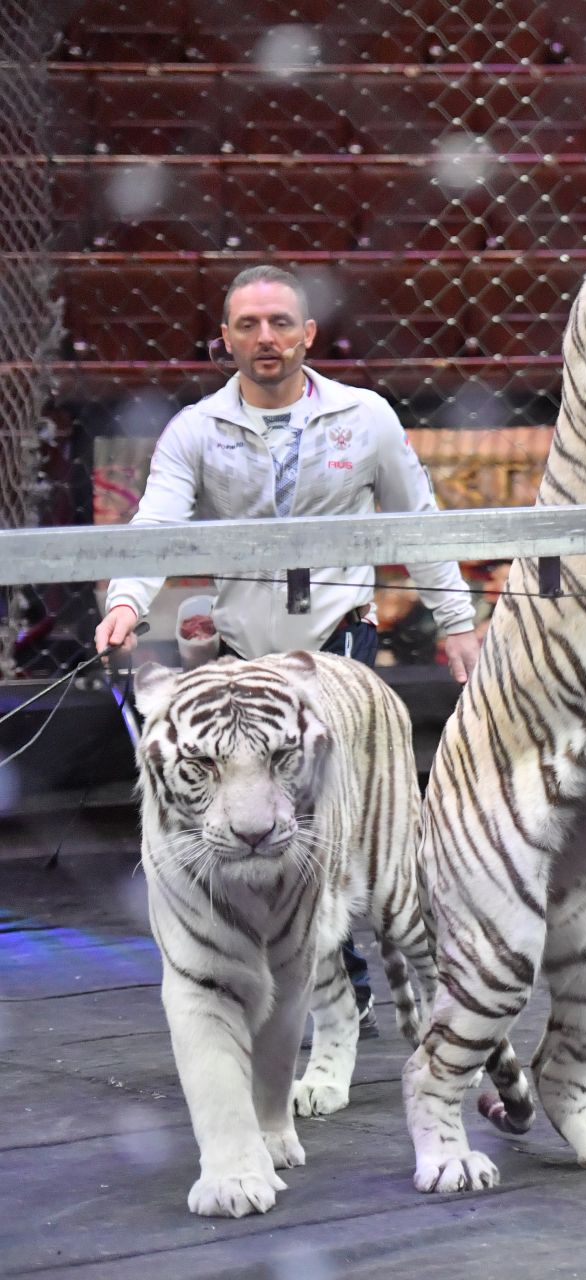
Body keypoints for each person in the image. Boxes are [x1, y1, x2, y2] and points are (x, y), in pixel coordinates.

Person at [96, 263, 483, 1037]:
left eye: (279, 323)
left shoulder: (365, 416)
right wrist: (125, 600)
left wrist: (458, 621)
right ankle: (309, 982)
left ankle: (359, 973)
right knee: (263, 823)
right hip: (244, 656)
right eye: (248, 325)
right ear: (225, 340)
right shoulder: (195, 430)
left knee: (325, 819)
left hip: (337, 644)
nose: (265, 338)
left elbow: (421, 523)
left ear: (308, 334)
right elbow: (156, 525)